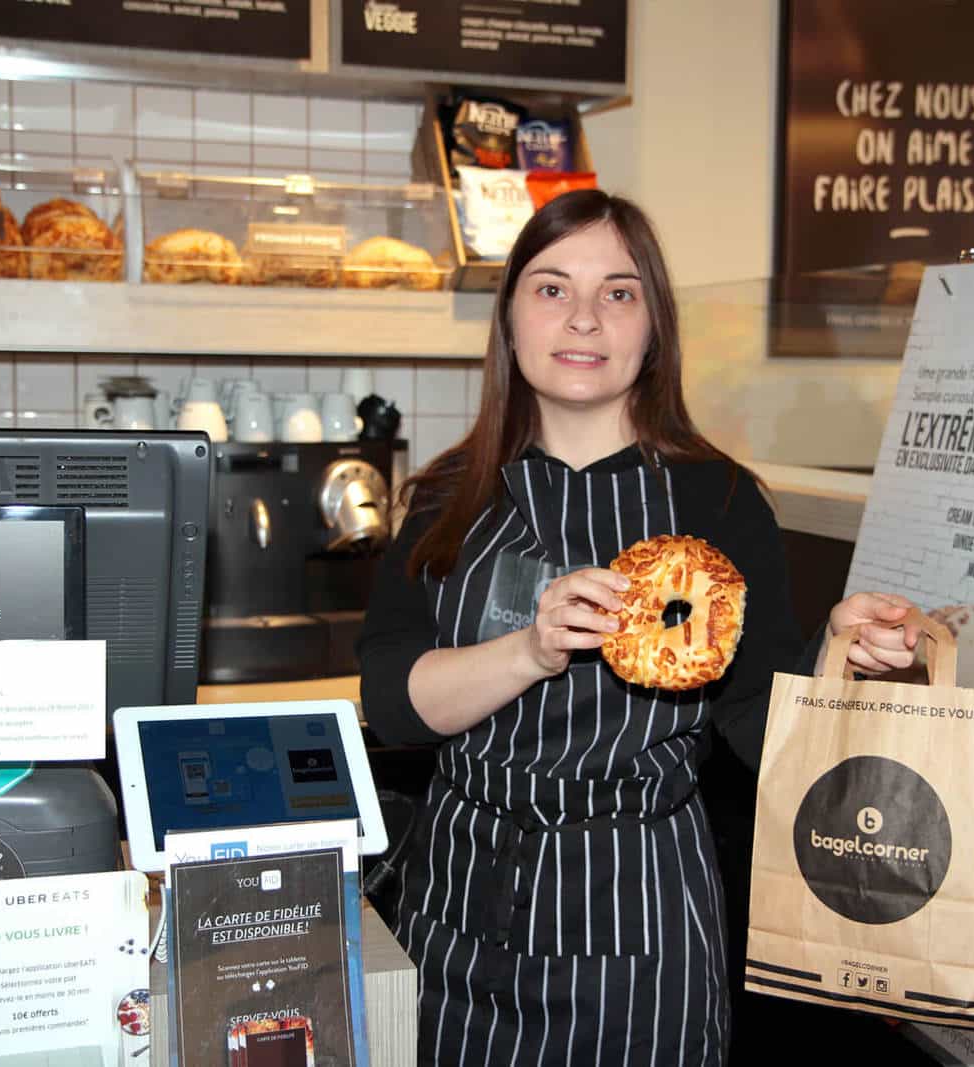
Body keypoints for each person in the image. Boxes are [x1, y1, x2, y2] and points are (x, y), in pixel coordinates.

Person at [357, 189, 919, 1066]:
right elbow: (391, 704)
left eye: (618, 293)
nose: (584, 317)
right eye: (551, 289)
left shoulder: (719, 501)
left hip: (639, 913)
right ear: (509, 323)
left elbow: (757, 722)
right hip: (459, 906)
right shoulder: (445, 496)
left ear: (653, 327)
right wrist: (530, 649)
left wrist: (840, 653)